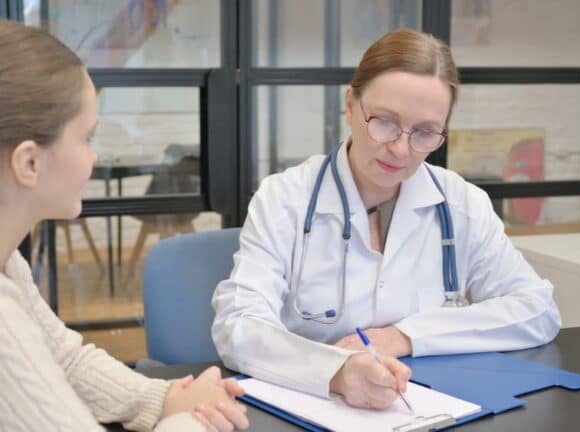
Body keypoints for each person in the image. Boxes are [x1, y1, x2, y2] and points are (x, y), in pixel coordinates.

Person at [0, 21, 248, 432]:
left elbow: (63, 357)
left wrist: (164, 399)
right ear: (29, 163)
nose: (94, 156)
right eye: (87, 137)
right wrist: (195, 421)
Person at [211, 28, 561, 410]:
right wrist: (335, 371)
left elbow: (537, 309)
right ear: (350, 104)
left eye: (424, 132)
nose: (400, 148)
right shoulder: (285, 199)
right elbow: (239, 326)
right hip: (313, 402)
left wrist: (405, 336)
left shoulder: (461, 203)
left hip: (423, 405)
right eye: (385, 122)